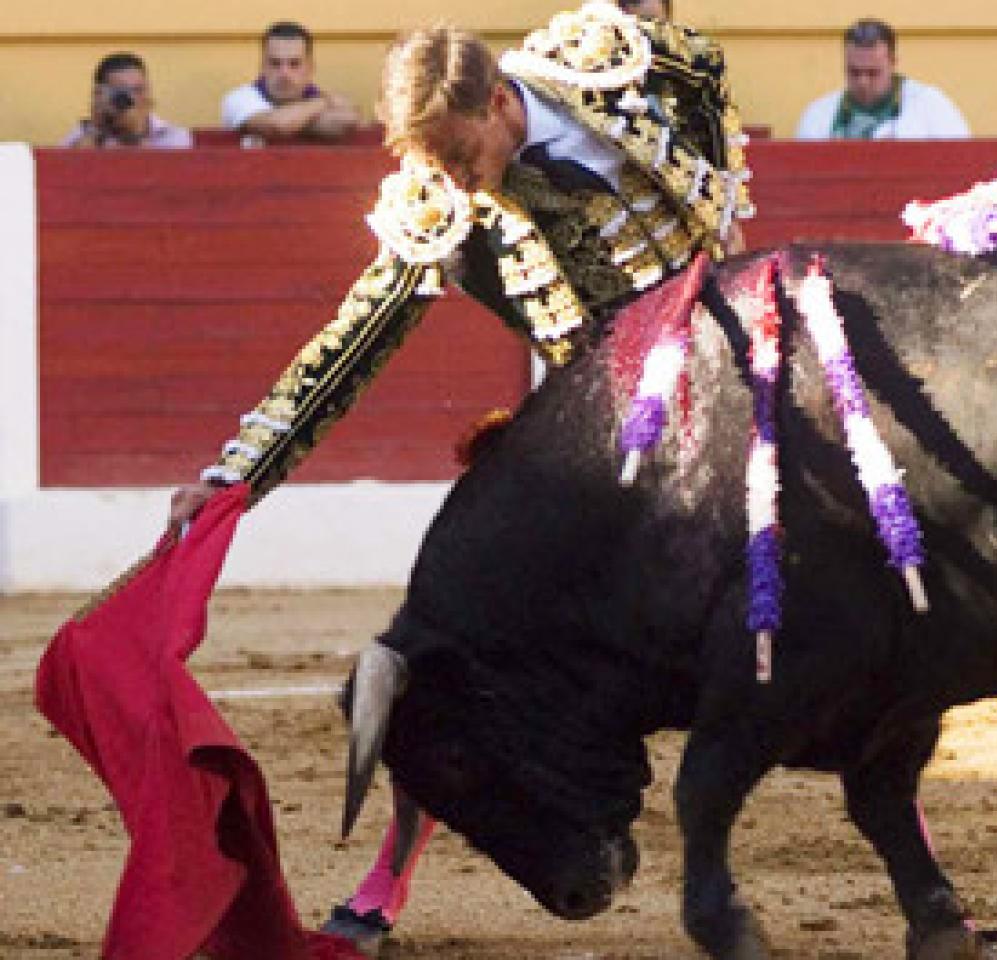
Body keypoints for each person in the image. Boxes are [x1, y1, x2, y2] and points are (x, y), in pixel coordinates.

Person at [166, 3, 753, 949]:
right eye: (425, 158)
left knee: (858, 607)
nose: (442, 177)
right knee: (453, 652)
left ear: (501, 103)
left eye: (453, 150)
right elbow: (351, 341)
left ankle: (923, 876)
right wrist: (234, 476)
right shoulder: (440, 202)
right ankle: (387, 877)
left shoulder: (613, 72)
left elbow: (704, 70)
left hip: (741, 397)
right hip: (601, 445)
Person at [794, 18, 968, 140]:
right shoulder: (819, 114)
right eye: (854, 72)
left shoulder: (931, 106)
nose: (863, 82)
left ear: (893, 63)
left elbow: (962, 162)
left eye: (873, 73)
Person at [220, 21, 361, 143]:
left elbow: (348, 120)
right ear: (262, 67)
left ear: (310, 68)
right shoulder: (239, 98)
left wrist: (293, 123)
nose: (284, 74)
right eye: (275, 63)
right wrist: (323, 102)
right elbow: (276, 126)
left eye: (294, 64)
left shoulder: (315, 96)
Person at [61, 52, 192, 150]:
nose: (133, 99)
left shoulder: (172, 134)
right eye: (122, 92)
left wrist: (136, 133)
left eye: (139, 90)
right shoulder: (84, 134)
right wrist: (97, 128)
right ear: (99, 94)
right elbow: (70, 167)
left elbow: (159, 174)